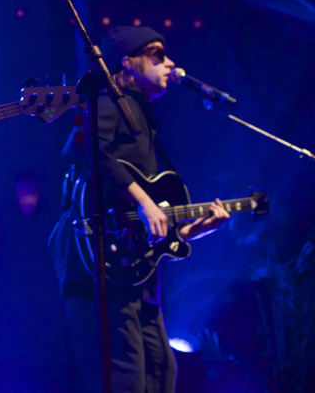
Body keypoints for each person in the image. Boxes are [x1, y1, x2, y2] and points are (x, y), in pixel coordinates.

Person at [50, 26, 230, 393]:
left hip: (134, 270)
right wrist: (144, 201)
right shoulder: (108, 101)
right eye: (157, 55)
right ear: (128, 64)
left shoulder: (143, 119)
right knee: (124, 377)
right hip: (95, 262)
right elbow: (83, 149)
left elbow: (147, 219)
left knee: (162, 373)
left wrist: (193, 230)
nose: (170, 63)